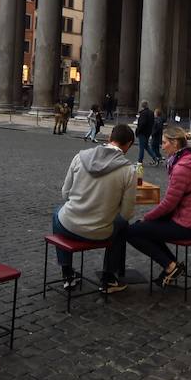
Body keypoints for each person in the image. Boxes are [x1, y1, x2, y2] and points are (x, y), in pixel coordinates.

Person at [53, 124, 138, 294]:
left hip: (69, 225)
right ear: (128, 145)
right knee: (122, 225)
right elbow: (127, 213)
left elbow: (65, 193)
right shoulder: (129, 170)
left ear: (109, 138)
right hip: (100, 232)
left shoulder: (80, 157)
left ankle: (67, 273)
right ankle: (109, 278)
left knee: (58, 213)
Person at [128, 126, 191, 286]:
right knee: (142, 228)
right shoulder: (190, 159)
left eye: (164, 143)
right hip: (190, 219)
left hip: (186, 224)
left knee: (131, 232)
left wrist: (148, 217)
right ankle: (172, 265)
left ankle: (170, 265)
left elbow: (169, 203)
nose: (162, 146)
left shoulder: (181, 168)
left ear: (175, 143)